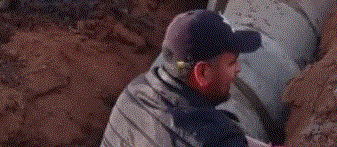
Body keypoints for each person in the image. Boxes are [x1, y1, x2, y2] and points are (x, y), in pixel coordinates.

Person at [99, 9, 265, 147]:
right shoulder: (218, 139)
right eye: (231, 63)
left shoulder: (133, 92)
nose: (239, 69)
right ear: (202, 73)